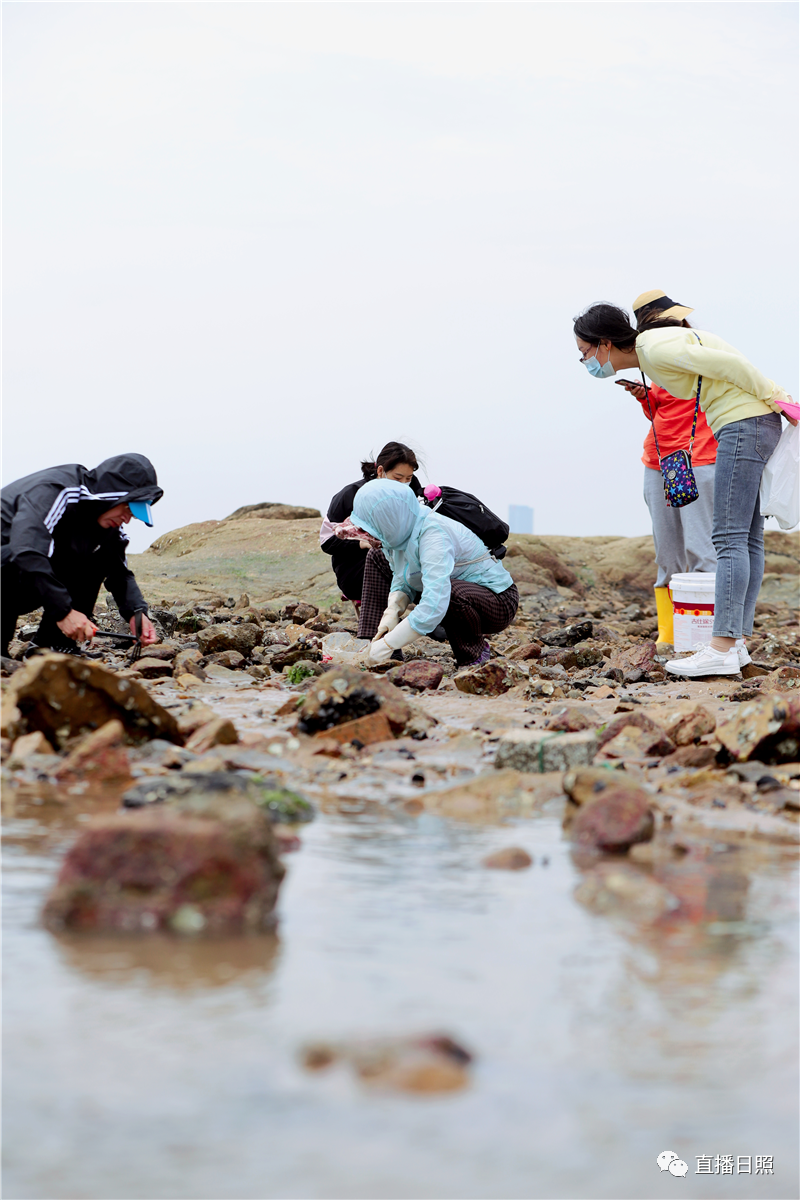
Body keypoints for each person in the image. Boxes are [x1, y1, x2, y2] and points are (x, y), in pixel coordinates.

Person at [573, 302, 796, 677]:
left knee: (727, 538)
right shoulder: (654, 352)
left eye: (584, 353)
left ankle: (721, 646)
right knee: (747, 539)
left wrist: (780, 400)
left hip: (743, 423)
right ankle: (736, 644)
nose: (585, 363)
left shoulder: (654, 348)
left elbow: (734, 367)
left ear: (604, 344)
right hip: (750, 422)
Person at [614, 290, 718, 647]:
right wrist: (646, 397)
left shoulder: (696, 351)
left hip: (697, 458)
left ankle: (708, 638)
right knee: (667, 554)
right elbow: (666, 410)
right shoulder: (654, 362)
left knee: (702, 550)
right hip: (660, 461)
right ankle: (670, 635)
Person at [1, 453, 163, 656]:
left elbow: (119, 573)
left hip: (22, 581)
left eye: (132, 515)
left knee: (97, 559)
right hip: (8, 566)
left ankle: (53, 645)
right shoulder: (58, 490)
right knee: (18, 554)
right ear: (113, 494)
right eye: (127, 509)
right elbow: (26, 550)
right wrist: (64, 612)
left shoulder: (109, 526)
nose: (127, 520)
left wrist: (137, 613)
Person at [350, 479, 519, 668]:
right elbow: (401, 575)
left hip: (497, 601)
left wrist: (390, 643)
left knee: (451, 593)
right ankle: (373, 644)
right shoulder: (400, 532)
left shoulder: (433, 534)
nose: (370, 535)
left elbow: (435, 603)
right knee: (376, 555)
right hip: (452, 591)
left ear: (389, 519)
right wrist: (392, 612)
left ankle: (474, 656)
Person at [319, 440, 422, 621]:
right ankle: (375, 627)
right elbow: (327, 542)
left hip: (401, 560)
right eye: (398, 478)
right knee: (383, 557)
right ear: (381, 471)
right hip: (355, 568)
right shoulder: (350, 495)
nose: (403, 484)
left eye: (408, 478)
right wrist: (362, 543)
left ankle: (438, 620)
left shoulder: (412, 490)